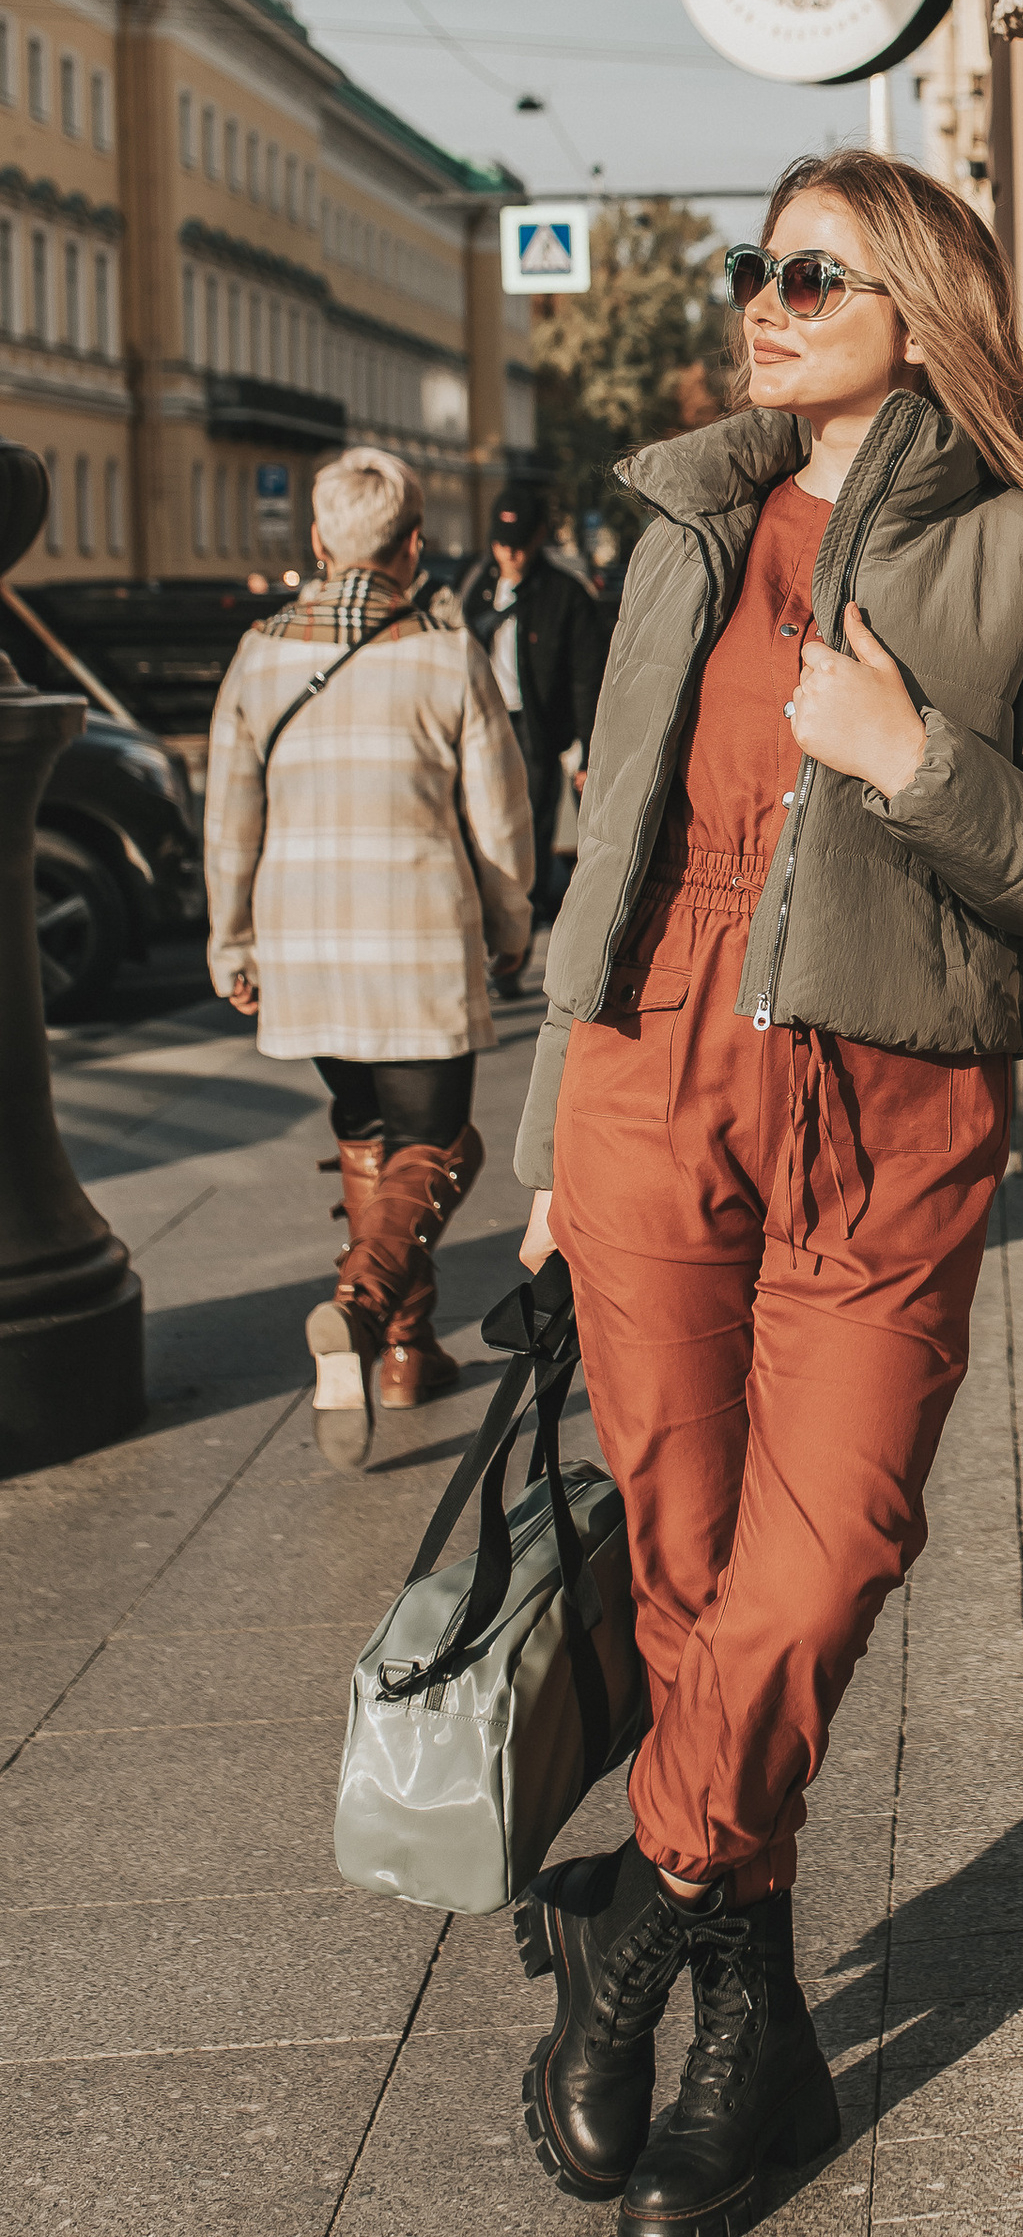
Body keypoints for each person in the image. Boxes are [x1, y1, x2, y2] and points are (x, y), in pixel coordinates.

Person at [510, 150, 1023, 2237]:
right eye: (760, 270)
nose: (761, 302)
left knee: (823, 1553)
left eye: (811, 275)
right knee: (685, 1577)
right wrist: (540, 1144)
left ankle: (633, 1918)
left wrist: (903, 758)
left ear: (919, 306)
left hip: (894, 1103)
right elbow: (610, 844)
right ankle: (746, 2045)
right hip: (650, 1076)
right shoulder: (683, 521)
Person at [203, 445, 535, 1470]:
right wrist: (512, 924)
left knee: (368, 1128)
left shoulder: (258, 652)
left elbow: (230, 816)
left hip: (304, 942)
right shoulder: (447, 653)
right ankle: (360, 1308)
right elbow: (499, 821)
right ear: (416, 547)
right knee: (438, 1143)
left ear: (317, 542)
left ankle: (406, 1348)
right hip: (418, 941)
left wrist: (231, 938)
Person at [459, 488, 604, 922]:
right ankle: (497, 898)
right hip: (484, 717)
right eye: (503, 544)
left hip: (537, 725)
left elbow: (585, 678)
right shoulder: (473, 587)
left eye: (520, 545)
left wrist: (588, 749)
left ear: (539, 538)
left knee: (533, 814)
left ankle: (529, 902)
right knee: (485, 811)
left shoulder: (564, 595)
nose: (511, 554)